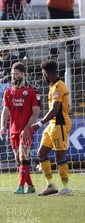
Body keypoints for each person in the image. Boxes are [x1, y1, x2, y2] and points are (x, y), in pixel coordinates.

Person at [31, 60, 72, 196]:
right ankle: (51, 185)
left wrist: (40, 123)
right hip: (52, 125)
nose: (43, 76)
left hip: (59, 124)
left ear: (47, 74)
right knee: (41, 154)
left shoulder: (59, 87)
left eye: (43, 74)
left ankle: (66, 188)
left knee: (59, 156)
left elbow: (55, 110)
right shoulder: (53, 85)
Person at [0, 62, 41, 194]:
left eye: (16, 74)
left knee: (24, 154)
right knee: (18, 158)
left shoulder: (32, 91)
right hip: (13, 129)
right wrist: (3, 126)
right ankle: (30, 185)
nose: (13, 76)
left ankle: (20, 186)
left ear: (23, 74)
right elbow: (5, 111)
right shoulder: (8, 92)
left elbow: (36, 112)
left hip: (26, 129)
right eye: (12, 74)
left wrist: (27, 128)